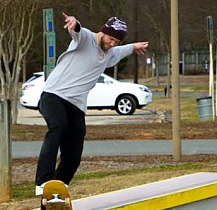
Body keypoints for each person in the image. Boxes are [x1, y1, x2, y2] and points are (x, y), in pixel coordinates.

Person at [35, 14, 148, 196]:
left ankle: (54, 194)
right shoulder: (87, 39)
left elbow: (123, 50)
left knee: (73, 156)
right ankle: (43, 181)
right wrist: (74, 23)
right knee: (58, 126)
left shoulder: (111, 53)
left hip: (76, 106)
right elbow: (79, 30)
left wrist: (134, 47)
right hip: (54, 95)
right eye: (111, 39)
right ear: (103, 32)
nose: (112, 44)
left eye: (116, 42)